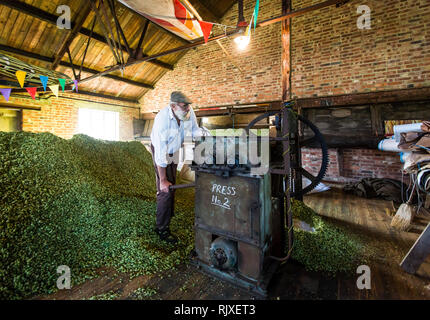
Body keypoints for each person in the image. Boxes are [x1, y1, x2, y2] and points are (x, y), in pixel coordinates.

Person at [150, 91, 202, 244]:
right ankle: (161, 228)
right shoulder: (162, 120)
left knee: (174, 183)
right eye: (184, 106)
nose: (188, 108)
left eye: (188, 105)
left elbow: (195, 131)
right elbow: (160, 155)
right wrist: (163, 180)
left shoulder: (187, 111)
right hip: (162, 151)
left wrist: (204, 145)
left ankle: (168, 212)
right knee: (165, 189)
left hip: (175, 148)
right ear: (173, 106)